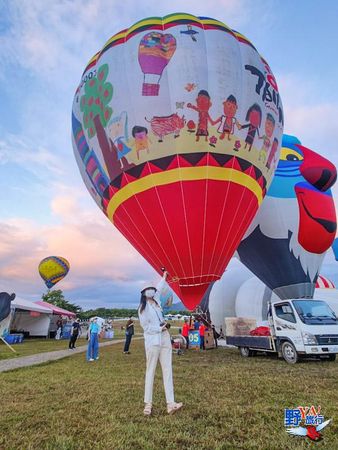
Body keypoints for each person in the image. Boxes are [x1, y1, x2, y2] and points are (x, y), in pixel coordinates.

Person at [138, 271, 183, 416]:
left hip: (164, 338)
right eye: (148, 289)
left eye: (152, 288)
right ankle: (148, 404)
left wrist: (164, 276)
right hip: (153, 341)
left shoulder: (157, 301)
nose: (151, 290)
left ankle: (170, 403)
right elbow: (146, 328)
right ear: (143, 292)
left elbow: (161, 286)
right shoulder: (142, 309)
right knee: (150, 370)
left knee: (167, 370)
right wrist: (159, 328)